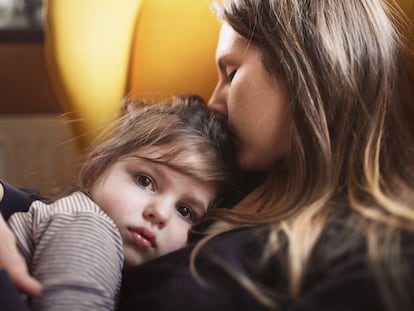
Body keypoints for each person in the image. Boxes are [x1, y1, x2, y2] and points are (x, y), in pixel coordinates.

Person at [1, 0, 414, 310]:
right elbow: (71, 215)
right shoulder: (239, 176)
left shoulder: (377, 256)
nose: (215, 101)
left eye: (231, 73)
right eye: (147, 181)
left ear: (306, 73)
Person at [0, 95, 239, 311]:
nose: (160, 213)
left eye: (184, 210)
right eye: (145, 181)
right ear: (94, 170)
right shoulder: (89, 227)